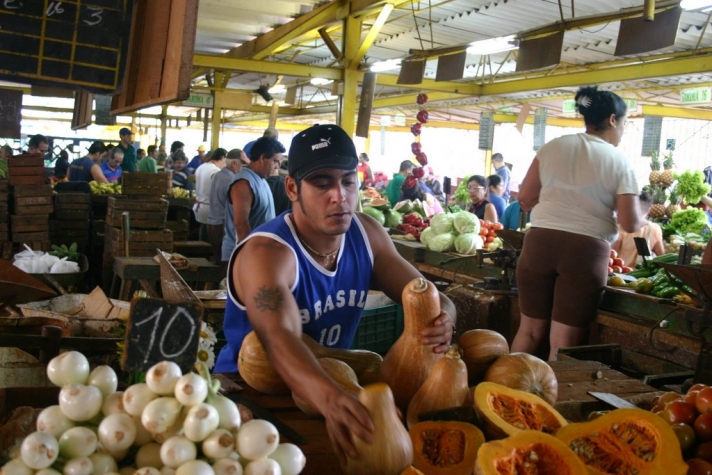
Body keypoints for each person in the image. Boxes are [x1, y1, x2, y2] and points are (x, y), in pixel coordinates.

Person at [213, 124, 456, 461]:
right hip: (249, 400)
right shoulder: (267, 253)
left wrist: (445, 316)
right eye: (322, 183)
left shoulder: (367, 234)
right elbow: (277, 339)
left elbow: (426, 294)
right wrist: (330, 398)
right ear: (292, 188)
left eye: (348, 181)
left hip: (335, 393)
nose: (339, 196)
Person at [511, 86, 642, 361]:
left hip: (538, 245)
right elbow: (630, 223)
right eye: (625, 123)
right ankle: (554, 389)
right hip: (584, 252)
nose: (623, 130)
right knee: (563, 344)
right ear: (612, 120)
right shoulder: (621, 162)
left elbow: (525, 197)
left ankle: (503, 383)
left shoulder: (553, 146)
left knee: (529, 332)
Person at [221, 136, 285, 262]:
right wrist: (251, 257)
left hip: (258, 253)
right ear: (262, 158)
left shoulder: (261, 179)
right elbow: (241, 224)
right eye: (275, 161)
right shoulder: (244, 183)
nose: (277, 167)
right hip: (241, 257)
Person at [209, 149, 248, 272]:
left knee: (218, 261)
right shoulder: (231, 180)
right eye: (242, 164)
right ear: (234, 164)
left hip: (213, 223)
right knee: (225, 266)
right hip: (221, 225)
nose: (243, 168)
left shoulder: (218, 175)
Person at [611, 191, 664, 267]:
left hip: (623, 271)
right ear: (648, 210)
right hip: (643, 273)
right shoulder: (655, 228)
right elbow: (661, 257)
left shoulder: (623, 227)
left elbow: (613, 254)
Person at [194, 148, 226, 242]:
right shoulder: (215, 170)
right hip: (209, 208)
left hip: (199, 206)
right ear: (222, 157)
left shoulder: (201, 167)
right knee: (212, 238)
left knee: (203, 232)